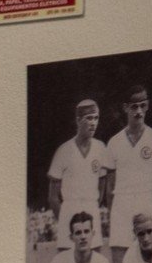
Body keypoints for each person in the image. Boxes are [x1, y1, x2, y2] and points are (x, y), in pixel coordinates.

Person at [107, 87, 152, 263]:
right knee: (120, 262)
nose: (139, 111)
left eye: (143, 106)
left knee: (149, 258)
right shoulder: (114, 142)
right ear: (126, 108)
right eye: (134, 107)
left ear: (147, 106)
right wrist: (112, 213)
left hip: (145, 199)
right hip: (121, 202)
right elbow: (110, 186)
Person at [48, 97, 113, 253]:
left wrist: (92, 207)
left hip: (91, 210)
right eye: (89, 118)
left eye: (96, 118)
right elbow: (53, 197)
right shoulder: (64, 150)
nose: (93, 123)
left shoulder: (101, 148)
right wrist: (65, 220)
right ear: (78, 120)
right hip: (69, 209)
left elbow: (102, 185)